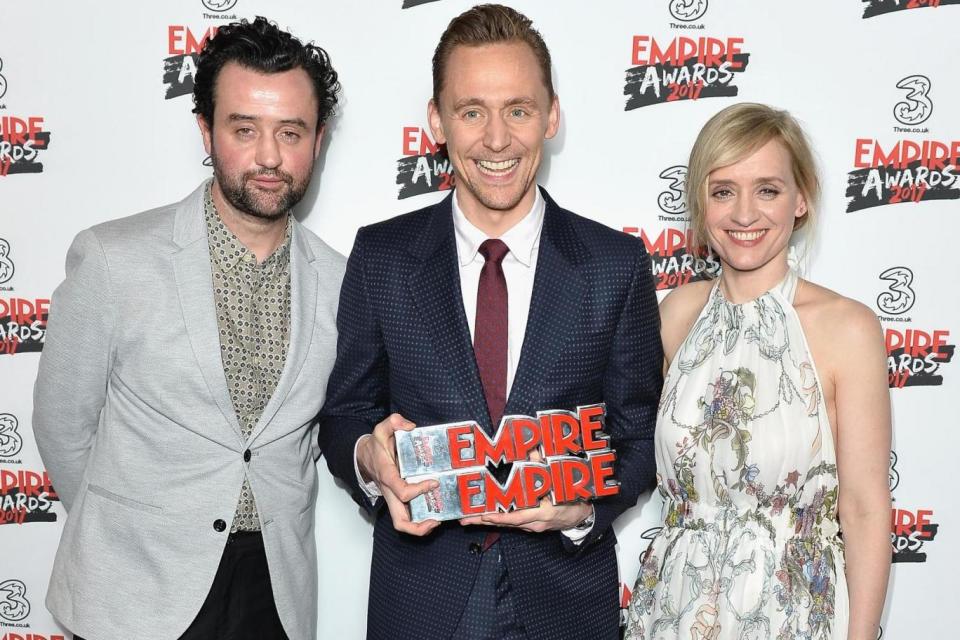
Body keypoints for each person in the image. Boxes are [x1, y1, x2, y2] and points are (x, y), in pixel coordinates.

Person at [318, 4, 662, 640]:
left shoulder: (614, 265)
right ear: (437, 121)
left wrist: (584, 507)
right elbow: (343, 416)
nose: (497, 139)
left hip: (565, 603)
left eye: (519, 110)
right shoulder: (382, 258)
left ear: (551, 116)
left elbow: (638, 440)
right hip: (421, 603)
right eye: (472, 111)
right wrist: (371, 457)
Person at [32, 17, 344, 640]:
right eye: (243, 129)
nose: (268, 157)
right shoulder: (114, 259)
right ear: (205, 129)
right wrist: (130, 531)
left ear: (318, 139)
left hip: (275, 595)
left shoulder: (342, 281)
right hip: (134, 592)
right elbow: (62, 426)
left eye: (291, 132)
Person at [624, 103, 891, 640]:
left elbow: (864, 509)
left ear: (802, 199)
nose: (744, 213)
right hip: (671, 611)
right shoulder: (677, 314)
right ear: (701, 202)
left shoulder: (848, 328)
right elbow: (628, 447)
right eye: (723, 190)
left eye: (767, 189)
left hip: (792, 617)